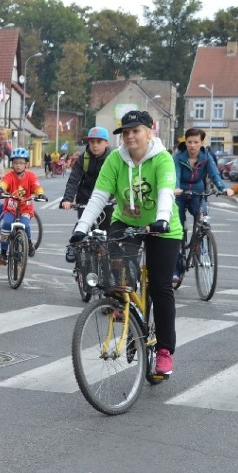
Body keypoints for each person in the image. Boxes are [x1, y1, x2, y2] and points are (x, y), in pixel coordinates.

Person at [69, 110, 181, 379]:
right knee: (119, 282)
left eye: (136, 131)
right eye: (126, 132)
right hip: (126, 223)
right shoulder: (115, 161)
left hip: (162, 228)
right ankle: (133, 326)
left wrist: (162, 219)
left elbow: (166, 192)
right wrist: (81, 228)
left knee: (160, 286)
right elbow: (99, 196)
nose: (130, 136)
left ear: (149, 132)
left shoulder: (162, 159)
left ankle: (165, 350)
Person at [173, 127, 233, 282]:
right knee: (176, 229)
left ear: (201, 143)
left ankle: (201, 246)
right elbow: (176, 174)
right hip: (180, 194)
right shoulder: (178, 157)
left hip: (198, 194)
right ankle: (176, 267)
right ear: (185, 142)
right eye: (189, 142)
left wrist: (223, 189)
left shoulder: (206, 157)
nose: (192, 145)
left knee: (203, 217)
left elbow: (214, 174)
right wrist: (176, 188)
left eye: (196, 142)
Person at [61, 126, 113, 261]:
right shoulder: (83, 158)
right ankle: (74, 246)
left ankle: (108, 260)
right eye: (92, 142)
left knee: (108, 233)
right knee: (83, 225)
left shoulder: (113, 159)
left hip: (107, 200)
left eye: (99, 142)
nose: (95, 145)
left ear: (106, 143)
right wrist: (68, 199)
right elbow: (74, 179)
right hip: (85, 198)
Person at [0, 148, 45, 265]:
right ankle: (3, 253)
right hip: (11, 209)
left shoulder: (31, 176)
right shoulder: (10, 176)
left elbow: (36, 187)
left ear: (26, 164)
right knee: (6, 225)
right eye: (15, 162)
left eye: (21, 163)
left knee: (25, 225)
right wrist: (0, 190)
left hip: (25, 209)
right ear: (12, 164)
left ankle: (30, 243)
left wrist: (40, 193)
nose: (18, 165)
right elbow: (4, 184)